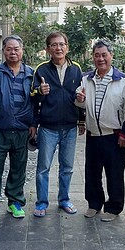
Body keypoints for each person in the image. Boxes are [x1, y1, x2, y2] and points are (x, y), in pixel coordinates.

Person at [0, 35, 37, 220]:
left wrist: (34, 124)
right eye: (9, 49)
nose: (13, 52)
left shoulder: (31, 74)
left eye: (16, 49)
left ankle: (15, 201)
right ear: (4, 51)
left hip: (22, 129)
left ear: (22, 50)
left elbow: (36, 102)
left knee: (19, 168)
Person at [75, 39, 125, 222]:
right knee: (92, 172)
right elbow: (78, 102)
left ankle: (114, 207)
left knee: (114, 173)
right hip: (93, 135)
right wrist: (80, 100)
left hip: (114, 136)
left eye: (104, 55)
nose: (101, 59)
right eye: (97, 55)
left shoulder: (123, 80)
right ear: (93, 57)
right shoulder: (86, 78)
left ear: (111, 56)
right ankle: (94, 204)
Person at [31, 31, 85, 217]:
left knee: (67, 167)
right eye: (54, 45)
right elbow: (32, 96)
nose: (58, 48)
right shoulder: (41, 70)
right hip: (48, 127)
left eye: (62, 44)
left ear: (67, 47)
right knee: (43, 168)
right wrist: (40, 90)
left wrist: (81, 120)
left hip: (70, 126)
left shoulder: (76, 69)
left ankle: (64, 200)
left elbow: (81, 95)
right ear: (47, 49)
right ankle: (41, 203)